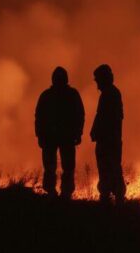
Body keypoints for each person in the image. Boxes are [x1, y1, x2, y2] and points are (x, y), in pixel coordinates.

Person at [35, 66, 84, 199]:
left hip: (54, 137)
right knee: (62, 166)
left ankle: (55, 191)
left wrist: (40, 135)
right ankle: (62, 192)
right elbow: (80, 115)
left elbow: (39, 117)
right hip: (63, 136)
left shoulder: (47, 95)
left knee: (56, 166)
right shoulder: (72, 94)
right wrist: (78, 133)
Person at [90, 63, 126, 204]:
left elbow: (105, 118)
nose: (96, 82)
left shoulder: (110, 94)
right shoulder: (110, 93)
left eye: (98, 79)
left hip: (108, 141)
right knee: (109, 168)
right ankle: (113, 197)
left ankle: (113, 197)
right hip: (110, 140)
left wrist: (97, 132)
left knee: (110, 167)